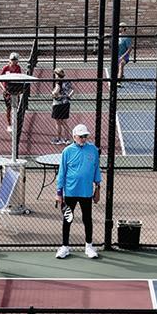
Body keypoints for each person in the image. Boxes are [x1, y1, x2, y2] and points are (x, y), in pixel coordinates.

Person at [54, 122, 101, 260]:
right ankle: (65, 247)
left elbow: (96, 169)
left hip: (86, 192)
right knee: (67, 219)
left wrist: (98, 188)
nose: (83, 139)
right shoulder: (67, 151)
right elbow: (62, 172)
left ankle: (89, 246)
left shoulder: (93, 150)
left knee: (87, 219)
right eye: (81, 136)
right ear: (74, 136)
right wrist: (59, 192)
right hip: (70, 192)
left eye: (85, 136)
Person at [0, 51, 23, 133]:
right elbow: (0, 78)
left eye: (15, 60)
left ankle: (15, 123)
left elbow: (19, 78)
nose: (14, 61)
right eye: (12, 60)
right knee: (9, 108)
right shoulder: (5, 68)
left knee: (16, 107)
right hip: (7, 90)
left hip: (15, 90)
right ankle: (9, 124)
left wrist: (20, 89)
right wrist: (3, 88)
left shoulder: (18, 68)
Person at [49, 68, 73, 144]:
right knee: (64, 122)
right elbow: (73, 90)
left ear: (57, 74)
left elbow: (56, 91)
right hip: (66, 103)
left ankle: (58, 138)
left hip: (58, 103)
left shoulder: (58, 82)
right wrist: (68, 96)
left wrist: (53, 93)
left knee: (58, 122)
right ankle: (67, 139)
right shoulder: (67, 81)